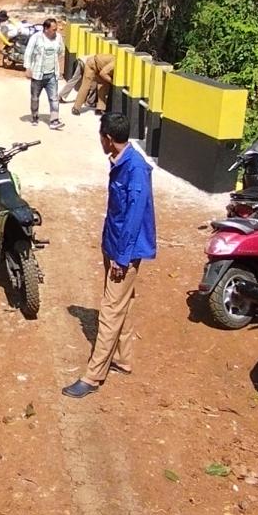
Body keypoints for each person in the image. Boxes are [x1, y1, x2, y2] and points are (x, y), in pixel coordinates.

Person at [62, 113, 156, 398]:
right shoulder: (121, 161)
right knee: (122, 303)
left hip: (123, 251)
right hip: (114, 244)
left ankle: (93, 376)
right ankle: (123, 359)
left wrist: (122, 258)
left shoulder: (135, 169)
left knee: (110, 310)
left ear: (108, 139)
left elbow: (134, 216)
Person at [24, 17, 65, 130]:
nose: (55, 31)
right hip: (38, 74)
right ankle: (35, 116)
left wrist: (59, 67)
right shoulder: (36, 38)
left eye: (56, 29)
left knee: (54, 98)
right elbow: (28, 53)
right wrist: (28, 68)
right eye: (53, 29)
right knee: (35, 97)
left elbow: (61, 52)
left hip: (52, 74)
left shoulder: (58, 38)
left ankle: (54, 120)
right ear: (46, 29)